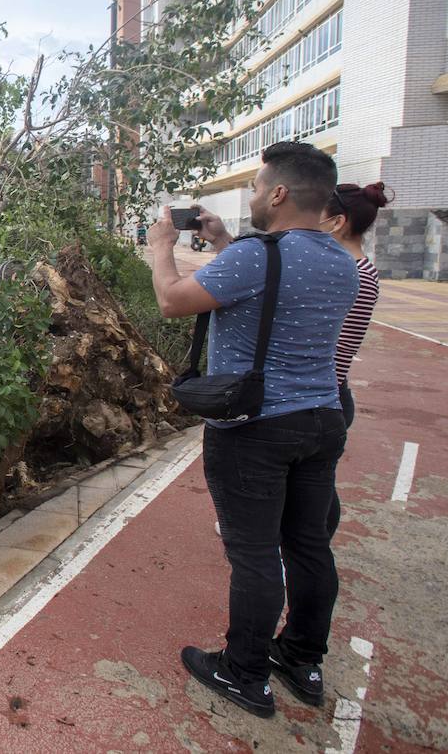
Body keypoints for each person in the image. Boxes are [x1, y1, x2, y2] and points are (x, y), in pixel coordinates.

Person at [147, 141, 358, 718]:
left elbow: (172, 301)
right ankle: (303, 660)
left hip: (256, 427)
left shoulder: (259, 257)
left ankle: (244, 673)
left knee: (256, 553)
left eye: (260, 188)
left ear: (281, 193)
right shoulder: (341, 260)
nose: (256, 196)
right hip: (323, 419)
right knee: (309, 546)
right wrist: (221, 240)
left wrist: (161, 247)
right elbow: (275, 276)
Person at [320, 182, 390, 535]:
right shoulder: (350, 270)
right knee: (313, 484)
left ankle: (310, 551)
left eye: (319, 214)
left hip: (325, 397)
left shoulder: (355, 276)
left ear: (338, 222)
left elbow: (334, 353)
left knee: (314, 491)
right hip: (328, 396)